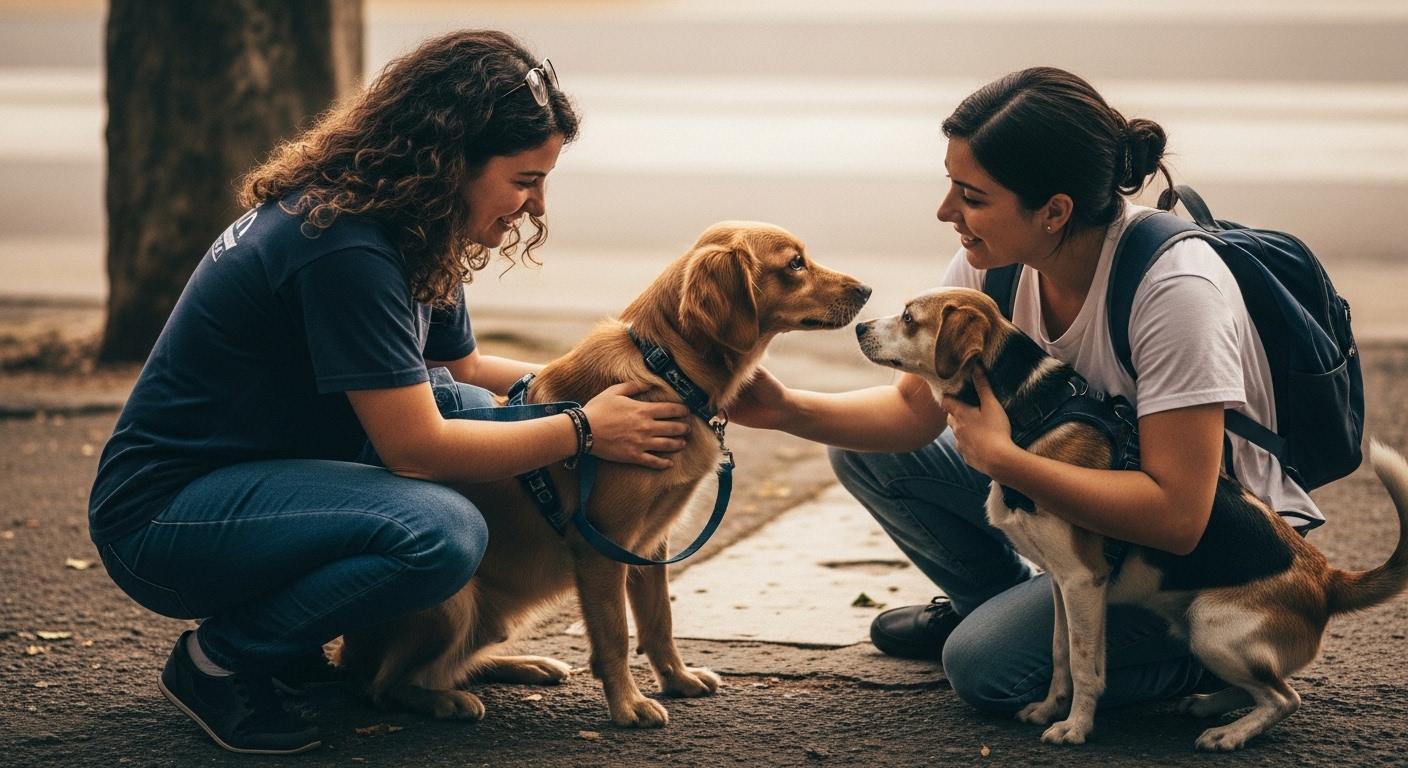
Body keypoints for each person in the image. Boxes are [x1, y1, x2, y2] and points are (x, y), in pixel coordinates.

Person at [87, 30, 692, 756]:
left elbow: (463, 372)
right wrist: (585, 430)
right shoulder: (343, 244)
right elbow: (416, 448)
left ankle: (430, 643)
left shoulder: (412, 226)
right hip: (166, 522)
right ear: (453, 159)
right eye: (526, 178)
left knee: (477, 412)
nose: (535, 206)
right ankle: (222, 661)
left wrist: (625, 384)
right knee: (440, 531)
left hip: (256, 487)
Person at [728, 66, 1322, 714]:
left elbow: (1180, 517)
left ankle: (1195, 665)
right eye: (950, 185)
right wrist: (783, 410)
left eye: (971, 196)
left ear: (1054, 212)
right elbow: (909, 412)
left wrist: (1006, 461)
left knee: (985, 672)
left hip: (1209, 570)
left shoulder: (1174, 292)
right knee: (866, 453)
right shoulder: (993, 263)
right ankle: (1004, 609)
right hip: (1088, 503)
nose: (946, 212)